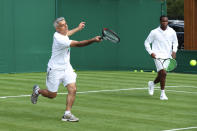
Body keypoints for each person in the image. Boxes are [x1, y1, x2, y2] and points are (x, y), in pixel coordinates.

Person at [31, 17, 101, 122]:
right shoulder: (59, 38)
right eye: (63, 25)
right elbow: (78, 44)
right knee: (52, 95)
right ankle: (37, 91)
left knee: (73, 89)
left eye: (66, 24)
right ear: (57, 29)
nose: (66, 26)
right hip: (55, 69)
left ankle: (67, 114)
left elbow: (68, 33)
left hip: (67, 67)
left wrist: (78, 28)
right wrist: (93, 40)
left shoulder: (63, 34)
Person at [144, 15, 178, 100]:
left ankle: (152, 83)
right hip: (157, 56)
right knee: (164, 73)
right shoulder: (154, 32)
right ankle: (162, 94)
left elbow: (175, 42)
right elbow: (146, 43)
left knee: (161, 75)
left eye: (166, 21)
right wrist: (151, 52)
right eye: (163, 21)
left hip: (168, 56)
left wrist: (174, 51)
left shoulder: (172, 31)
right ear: (160, 22)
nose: (165, 23)